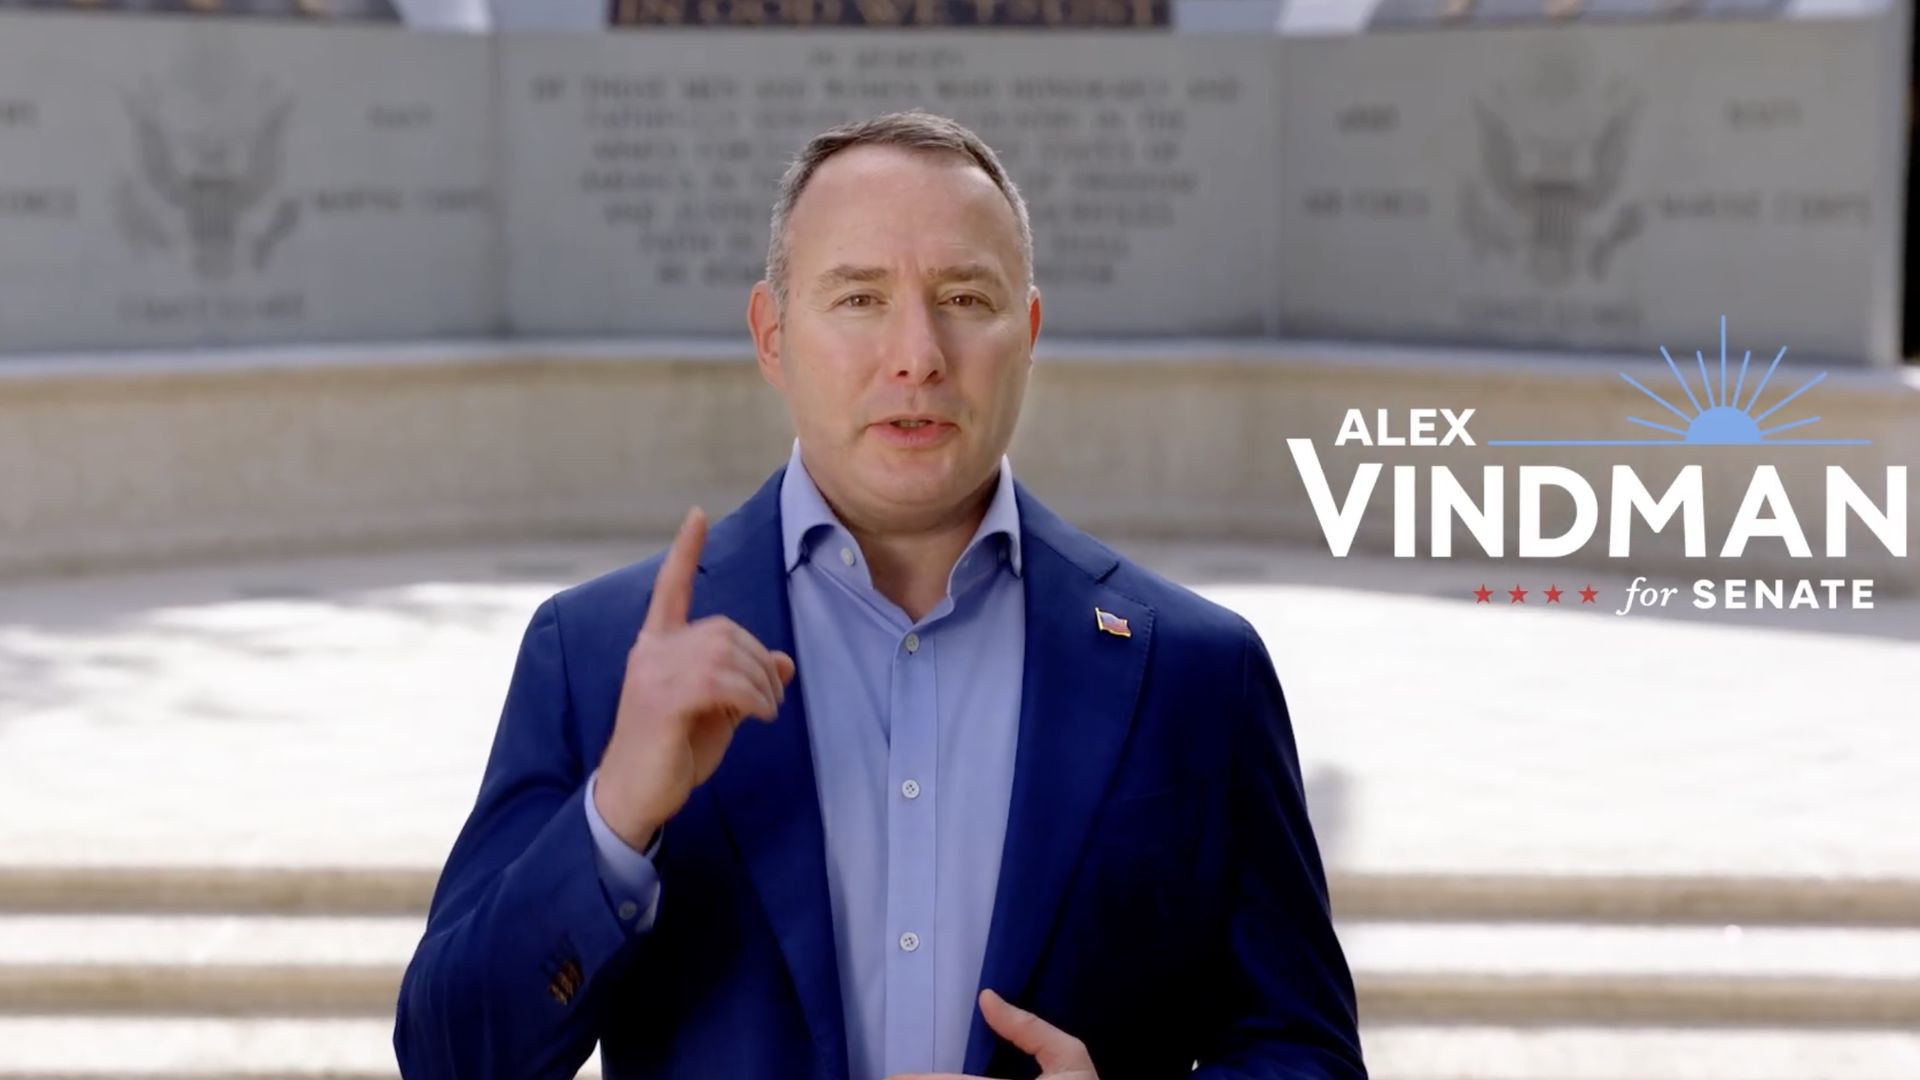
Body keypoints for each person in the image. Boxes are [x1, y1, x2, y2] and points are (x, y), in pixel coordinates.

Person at [394, 109, 1364, 1080]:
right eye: (858, 298)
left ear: (1027, 333)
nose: (917, 354)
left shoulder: (1196, 671)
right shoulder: (598, 655)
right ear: (771, 336)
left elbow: (1306, 1054)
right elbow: (450, 1058)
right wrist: (613, 819)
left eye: (965, 296)